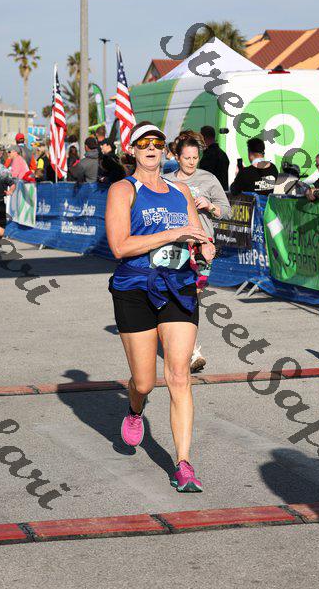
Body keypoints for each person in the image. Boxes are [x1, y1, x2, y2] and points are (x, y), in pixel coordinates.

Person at [105, 120, 215, 492]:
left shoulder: (180, 191)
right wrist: (171, 234)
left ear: (165, 149)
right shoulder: (123, 189)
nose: (151, 147)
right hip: (135, 287)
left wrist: (205, 247)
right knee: (144, 381)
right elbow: (119, 246)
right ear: (132, 149)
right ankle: (135, 408)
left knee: (179, 375)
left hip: (178, 285)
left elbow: (197, 235)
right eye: (143, 142)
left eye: (157, 142)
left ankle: (184, 464)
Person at [166, 130, 231, 373]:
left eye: (195, 157)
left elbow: (227, 211)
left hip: (202, 246)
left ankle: (188, 348)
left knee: (192, 296)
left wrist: (210, 206)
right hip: (174, 245)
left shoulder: (208, 179)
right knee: (176, 295)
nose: (192, 162)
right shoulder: (165, 180)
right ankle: (189, 350)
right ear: (177, 157)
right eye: (187, 158)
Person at [199, 126, 230, 191]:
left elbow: (204, 177)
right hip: (222, 192)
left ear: (203, 138)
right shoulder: (223, 154)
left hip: (211, 192)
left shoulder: (209, 156)